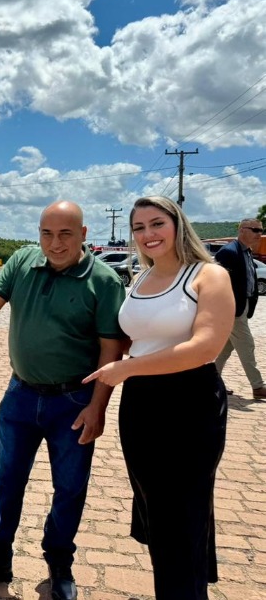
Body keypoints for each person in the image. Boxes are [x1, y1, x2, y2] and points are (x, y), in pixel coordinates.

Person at [0, 201, 125, 600]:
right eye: (47, 234)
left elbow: (112, 348)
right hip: (20, 396)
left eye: (65, 234)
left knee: (69, 488)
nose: (55, 244)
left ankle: (59, 564)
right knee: (5, 482)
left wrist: (98, 406)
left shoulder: (105, 281)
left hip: (74, 402)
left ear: (83, 234)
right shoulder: (23, 261)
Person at [84, 196, 233, 599]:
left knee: (181, 512)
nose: (148, 234)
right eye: (139, 227)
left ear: (178, 224)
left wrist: (125, 369)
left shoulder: (208, 275)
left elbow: (205, 348)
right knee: (156, 510)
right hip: (141, 404)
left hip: (190, 402)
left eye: (157, 223)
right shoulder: (140, 279)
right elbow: (133, 337)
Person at [213, 217, 265, 399]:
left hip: (242, 307)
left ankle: (212, 383)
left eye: (261, 230)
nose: (259, 234)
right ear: (242, 230)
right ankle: (258, 386)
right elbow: (218, 284)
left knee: (225, 349)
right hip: (232, 310)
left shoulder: (247, 252)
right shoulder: (228, 252)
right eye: (256, 230)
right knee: (247, 345)